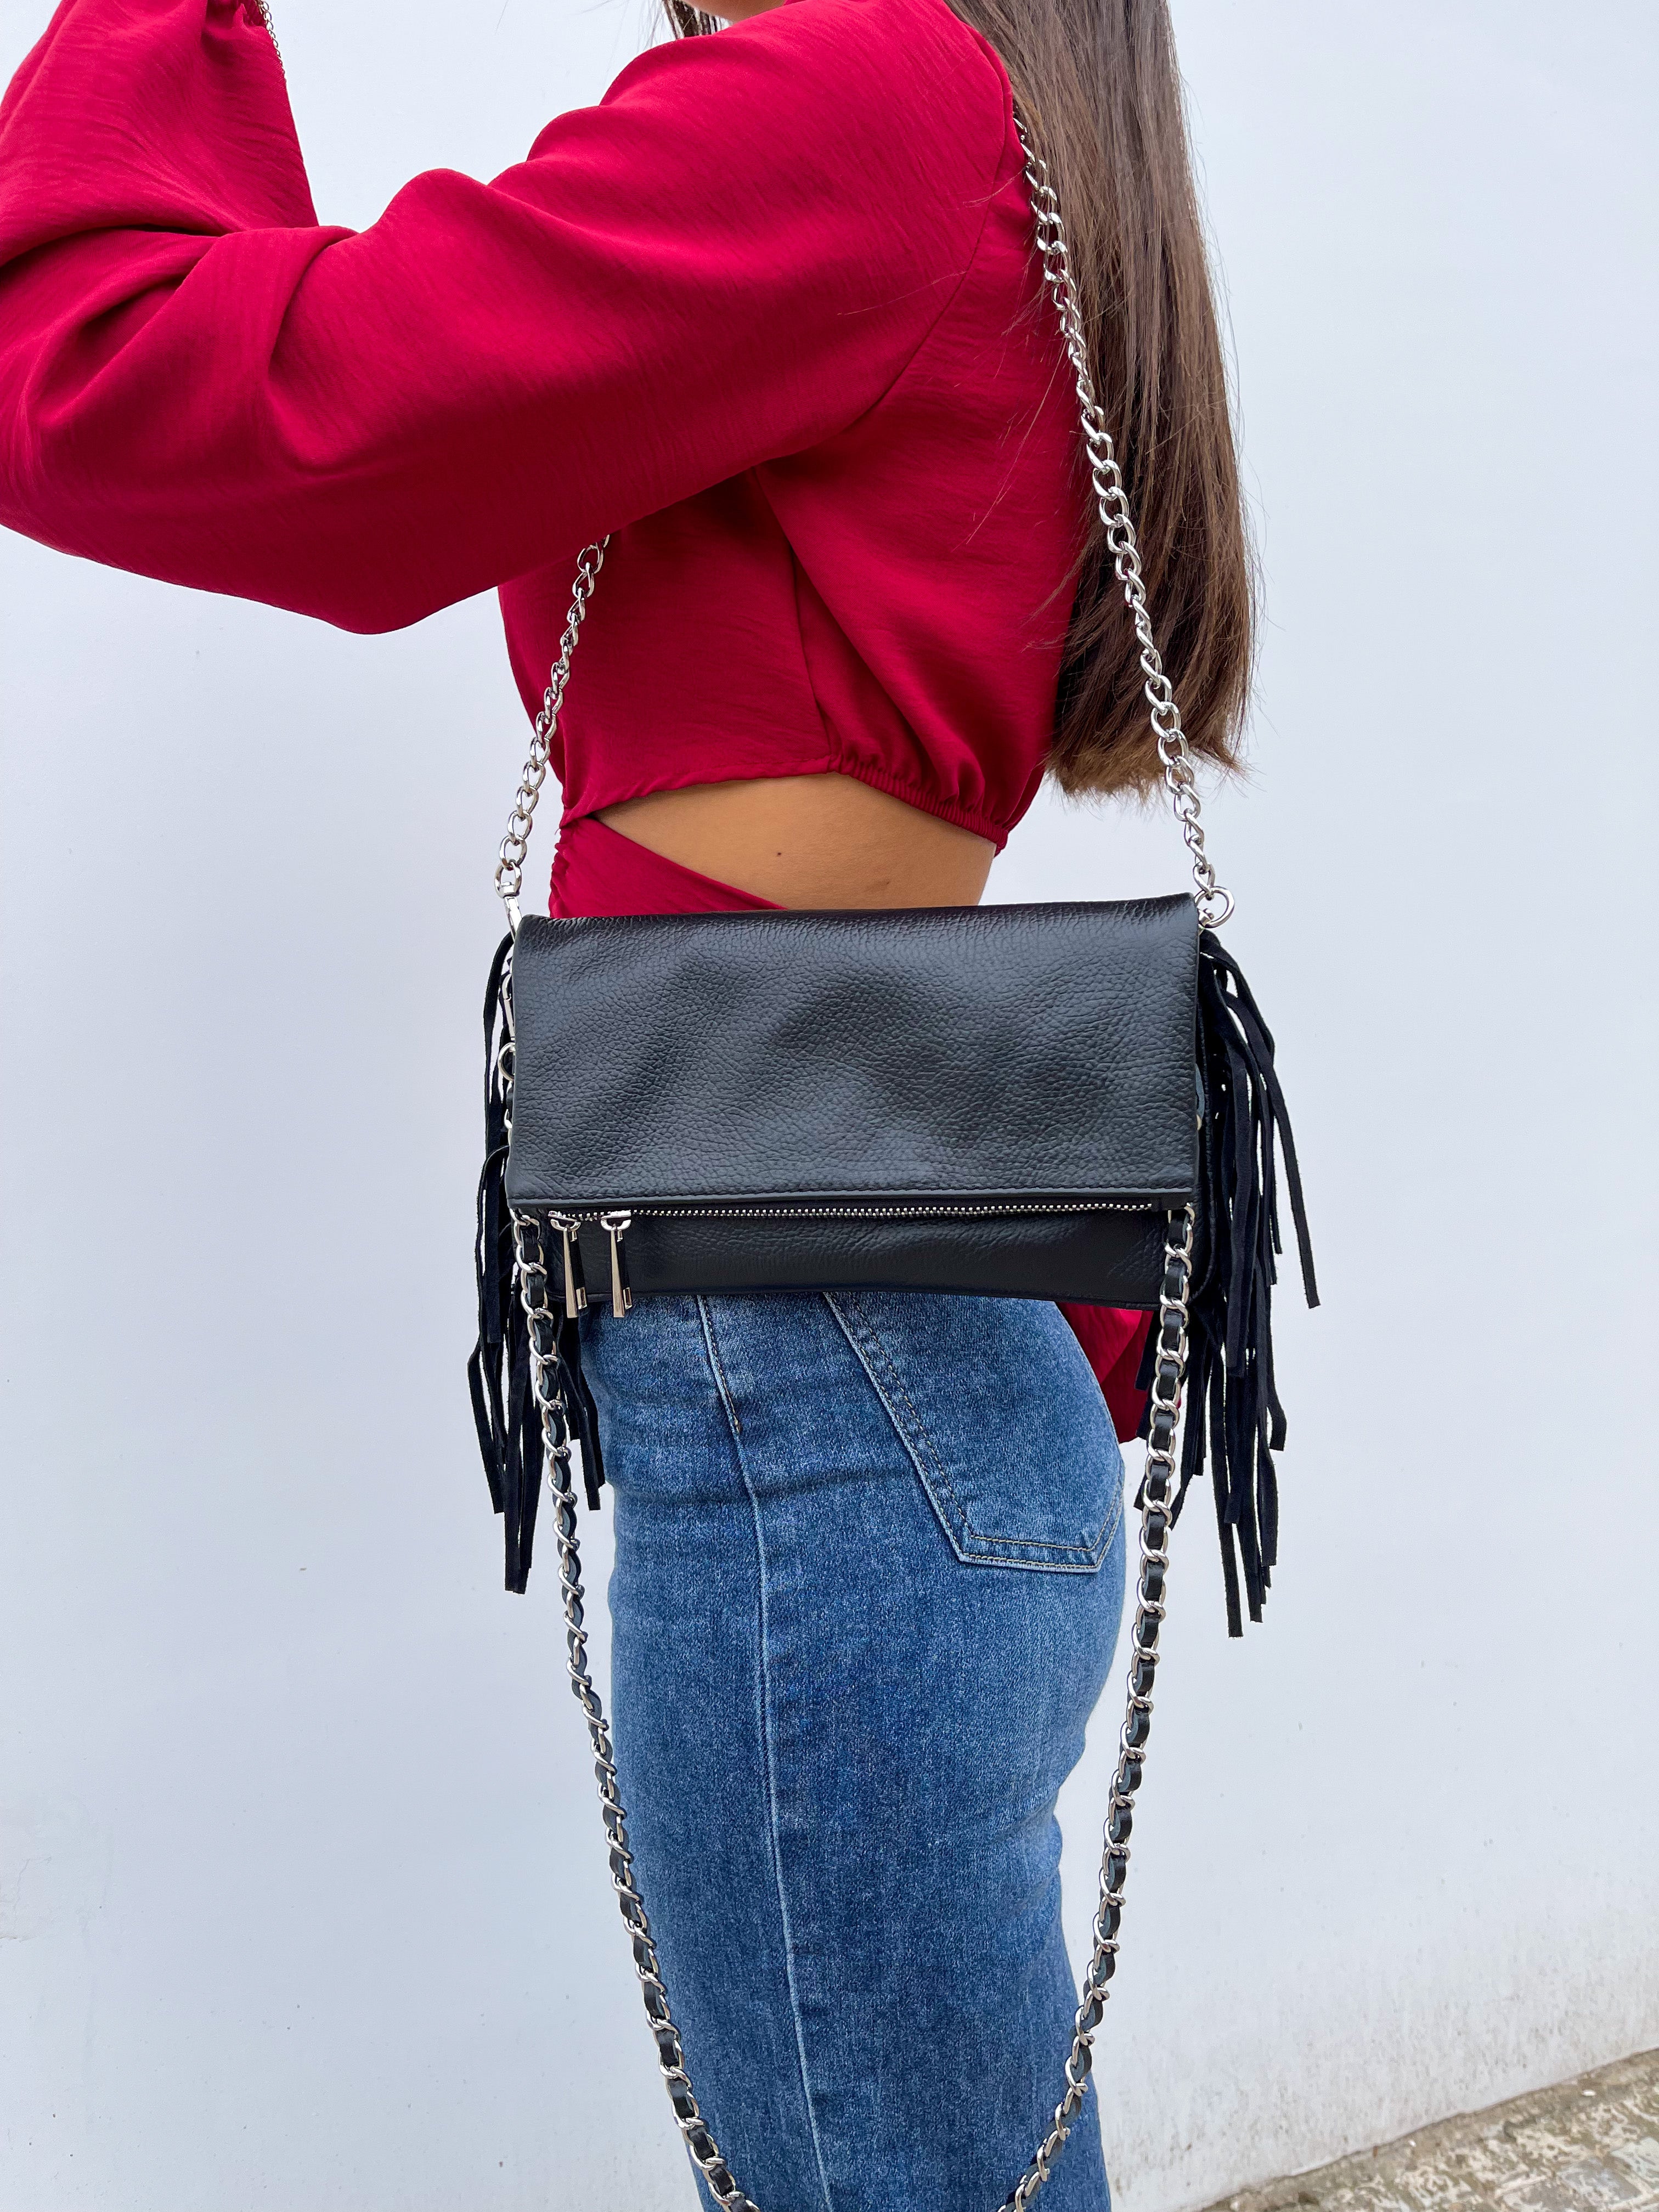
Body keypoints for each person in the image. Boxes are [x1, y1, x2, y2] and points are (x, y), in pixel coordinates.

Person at [0, 0, 1254, 2202]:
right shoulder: (987, 121)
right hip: (897, 1357)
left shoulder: (863, 95)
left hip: (817, 1375)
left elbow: (123, 380)